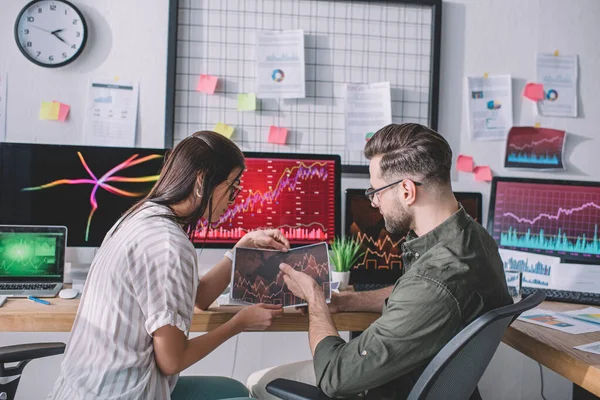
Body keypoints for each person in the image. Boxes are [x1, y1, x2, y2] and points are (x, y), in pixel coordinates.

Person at [248, 123, 513, 399]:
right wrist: (344, 302)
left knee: (258, 383)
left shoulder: (435, 280)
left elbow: (334, 376)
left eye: (377, 191)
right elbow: (419, 295)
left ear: (407, 191)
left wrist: (315, 298)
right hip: (415, 379)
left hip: (386, 387)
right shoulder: (474, 240)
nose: (375, 202)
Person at [48, 131, 290, 400]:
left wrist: (241, 247)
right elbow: (173, 361)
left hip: (83, 387)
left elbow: (197, 298)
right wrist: (240, 322)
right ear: (201, 181)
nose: (235, 199)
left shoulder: (139, 216)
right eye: (232, 188)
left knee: (234, 390)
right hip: (119, 393)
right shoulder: (168, 245)